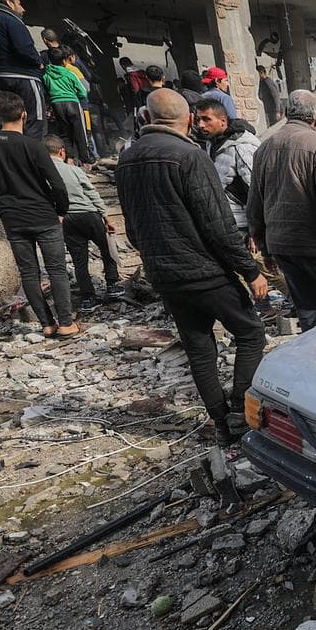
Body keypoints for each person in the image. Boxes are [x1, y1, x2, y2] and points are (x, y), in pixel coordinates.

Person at [115, 89, 267, 446]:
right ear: (185, 120)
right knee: (250, 334)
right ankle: (238, 410)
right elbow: (218, 225)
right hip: (205, 270)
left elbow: (133, 229)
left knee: (199, 348)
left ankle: (220, 424)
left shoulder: (127, 160)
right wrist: (250, 270)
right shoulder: (190, 156)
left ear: (146, 118)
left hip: (165, 275)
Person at [248, 89, 316, 331]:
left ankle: (314, 355)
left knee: (308, 307)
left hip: (281, 244)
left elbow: (254, 204)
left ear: (287, 113)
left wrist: (265, 248)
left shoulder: (264, 147)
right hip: (314, 243)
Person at [0, 91, 75, 338]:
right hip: (43, 214)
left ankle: (46, 324)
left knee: (29, 272)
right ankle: (66, 322)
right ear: (24, 114)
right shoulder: (33, 145)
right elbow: (56, 184)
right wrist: (61, 209)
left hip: (13, 219)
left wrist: (1, 207)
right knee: (57, 269)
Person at [43, 135, 118, 310]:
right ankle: (112, 285)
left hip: (66, 219)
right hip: (88, 214)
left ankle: (88, 298)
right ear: (62, 151)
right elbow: (91, 192)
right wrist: (105, 216)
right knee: (106, 248)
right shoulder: (73, 169)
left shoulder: (42, 174)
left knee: (79, 260)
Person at [0, 0, 48, 139]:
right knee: (34, 120)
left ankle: (13, 155)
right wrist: (38, 61)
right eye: (20, 4)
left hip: (0, 76)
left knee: (9, 120)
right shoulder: (12, 20)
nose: (23, 9)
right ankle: (33, 156)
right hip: (23, 76)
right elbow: (24, 47)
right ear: (10, 4)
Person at [194, 99, 261, 239]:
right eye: (198, 119)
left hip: (242, 227)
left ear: (222, 121)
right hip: (225, 222)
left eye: (206, 119)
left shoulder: (242, 146)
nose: (200, 125)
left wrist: (256, 231)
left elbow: (256, 191)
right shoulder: (213, 142)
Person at [43, 46, 94, 164]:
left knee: (65, 134)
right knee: (80, 132)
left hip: (57, 105)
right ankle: (85, 159)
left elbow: (46, 91)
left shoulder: (46, 75)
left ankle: (69, 158)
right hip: (72, 103)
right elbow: (83, 91)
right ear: (64, 60)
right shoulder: (69, 73)